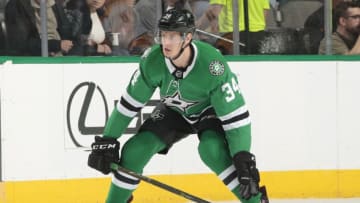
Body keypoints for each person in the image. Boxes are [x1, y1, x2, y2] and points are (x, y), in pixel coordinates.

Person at [87, 8, 269, 203]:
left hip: (209, 111)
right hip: (174, 109)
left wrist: (243, 158)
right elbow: (127, 106)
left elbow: (236, 118)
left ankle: (255, 201)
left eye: (173, 36)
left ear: (188, 37)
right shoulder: (152, 61)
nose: (166, 42)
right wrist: (107, 139)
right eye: (163, 35)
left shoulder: (213, 66)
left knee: (211, 151)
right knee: (134, 151)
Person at [196, 0, 270, 54]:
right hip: (259, 37)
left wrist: (197, 28)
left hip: (232, 38)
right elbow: (265, 13)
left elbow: (214, 11)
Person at [4, 0, 75, 56]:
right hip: (33, 61)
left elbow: (68, 34)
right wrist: (55, 45)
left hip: (60, 57)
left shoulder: (55, 4)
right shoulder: (16, 5)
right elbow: (20, 44)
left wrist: (67, 46)